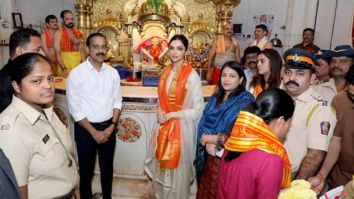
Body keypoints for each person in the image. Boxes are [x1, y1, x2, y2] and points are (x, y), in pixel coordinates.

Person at [0, 53, 78, 199]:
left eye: (50, 78)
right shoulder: (12, 131)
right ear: (16, 85)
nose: (48, 86)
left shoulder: (46, 109)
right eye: (36, 81)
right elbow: (17, 192)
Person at [144, 34, 204, 198]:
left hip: (181, 130)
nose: (175, 52)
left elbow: (198, 109)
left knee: (177, 175)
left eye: (179, 48)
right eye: (171, 48)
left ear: (186, 51)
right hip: (163, 125)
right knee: (163, 173)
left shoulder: (192, 75)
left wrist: (172, 114)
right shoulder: (165, 71)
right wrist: (159, 110)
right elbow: (160, 98)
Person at [67, 32, 122, 199]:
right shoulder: (77, 74)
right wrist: (94, 132)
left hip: (108, 128)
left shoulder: (112, 73)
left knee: (107, 169)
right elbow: (75, 109)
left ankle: (107, 197)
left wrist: (112, 125)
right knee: (86, 171)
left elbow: (117, 101)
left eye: (103, 46)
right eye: (96, 46)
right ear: (88, 49)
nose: (100, 50)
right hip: (85, 130)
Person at [217, 88, 295, 198]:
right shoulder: (271, 160)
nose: (288, 128)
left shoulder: (234, 142)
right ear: (281, 121)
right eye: (289, 123)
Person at [195, 61, 255, 199]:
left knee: (221, 192)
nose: (226, 79)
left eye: (232, 76)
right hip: (206, 155)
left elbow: (244, 133)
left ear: (240, 80)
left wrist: (211, 140)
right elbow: (203, 121)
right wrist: (203, 141)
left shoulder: (246, 101)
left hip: (226, 156)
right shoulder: (215, 98)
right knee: (206, 191)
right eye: (224, 75)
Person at [282, 48, 337, 180]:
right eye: (288, 72)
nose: (292, 78)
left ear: (312, 78)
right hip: (268, 172)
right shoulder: (280, 98)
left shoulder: (320, 108)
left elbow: (315, 155)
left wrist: (296, 188)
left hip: (291, 178)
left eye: (300, 74)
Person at [309, 66, 354, 194]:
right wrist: (321, 176)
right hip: (341, 178)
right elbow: (335, 142)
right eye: (352, 95)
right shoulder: (342, 101)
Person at [0, 28, 45, 113]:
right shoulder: (7, 81)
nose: (43, 54)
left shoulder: (22, 73)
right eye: (37, 49)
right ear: (19, 51)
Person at [54, 10, 85, 77]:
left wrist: (85, 65)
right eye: (67, 19)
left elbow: (81, 50)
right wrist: (64, 68)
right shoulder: (58, 33)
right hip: (65, 67)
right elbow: (57, 53)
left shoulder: (77, 32)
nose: (70, 21)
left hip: (77, 66)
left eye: (72, 19)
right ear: (62, 20)